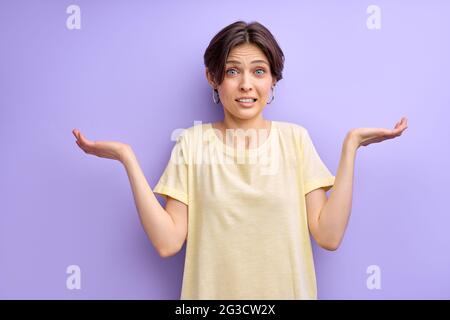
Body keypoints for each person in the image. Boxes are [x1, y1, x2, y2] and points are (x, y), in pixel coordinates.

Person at [72, 21, 408, 300]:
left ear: (273, 79)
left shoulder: (295, 140)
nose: (246, 85)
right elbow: (167, 242)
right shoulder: (192, 144)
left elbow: (328, 236)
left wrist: (351, 148)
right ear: (213, 78)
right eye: (233, 71)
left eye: (259, 71)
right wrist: (127, 159)